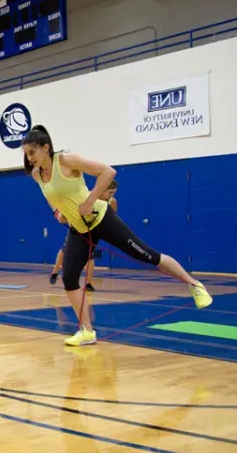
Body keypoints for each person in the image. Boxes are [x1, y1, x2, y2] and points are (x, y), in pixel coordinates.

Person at [22, 125, 212, 347]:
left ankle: (194, 285)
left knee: (148, 256)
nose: (29, 158)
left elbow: (108, 172)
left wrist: (90, 200)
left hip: (102, 219)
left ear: (46, 148)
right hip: (79, 229)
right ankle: (86, 330)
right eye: (26, 154)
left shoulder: (65, 161)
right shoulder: (37, 174)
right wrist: (58, 212)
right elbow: (51, 197)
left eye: (32, 152)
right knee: (69, 278)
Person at [48, 181, 118, 290]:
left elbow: (112, 217)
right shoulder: (88, 197)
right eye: (110, 193)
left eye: (113, 193)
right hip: (77, 227)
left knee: (90, 256)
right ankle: (55, 272)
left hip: (92, 230)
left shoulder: (112, 202)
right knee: (64, 251)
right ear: (103, 189)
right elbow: (68, 215)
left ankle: (88, 283)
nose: (111, 196)